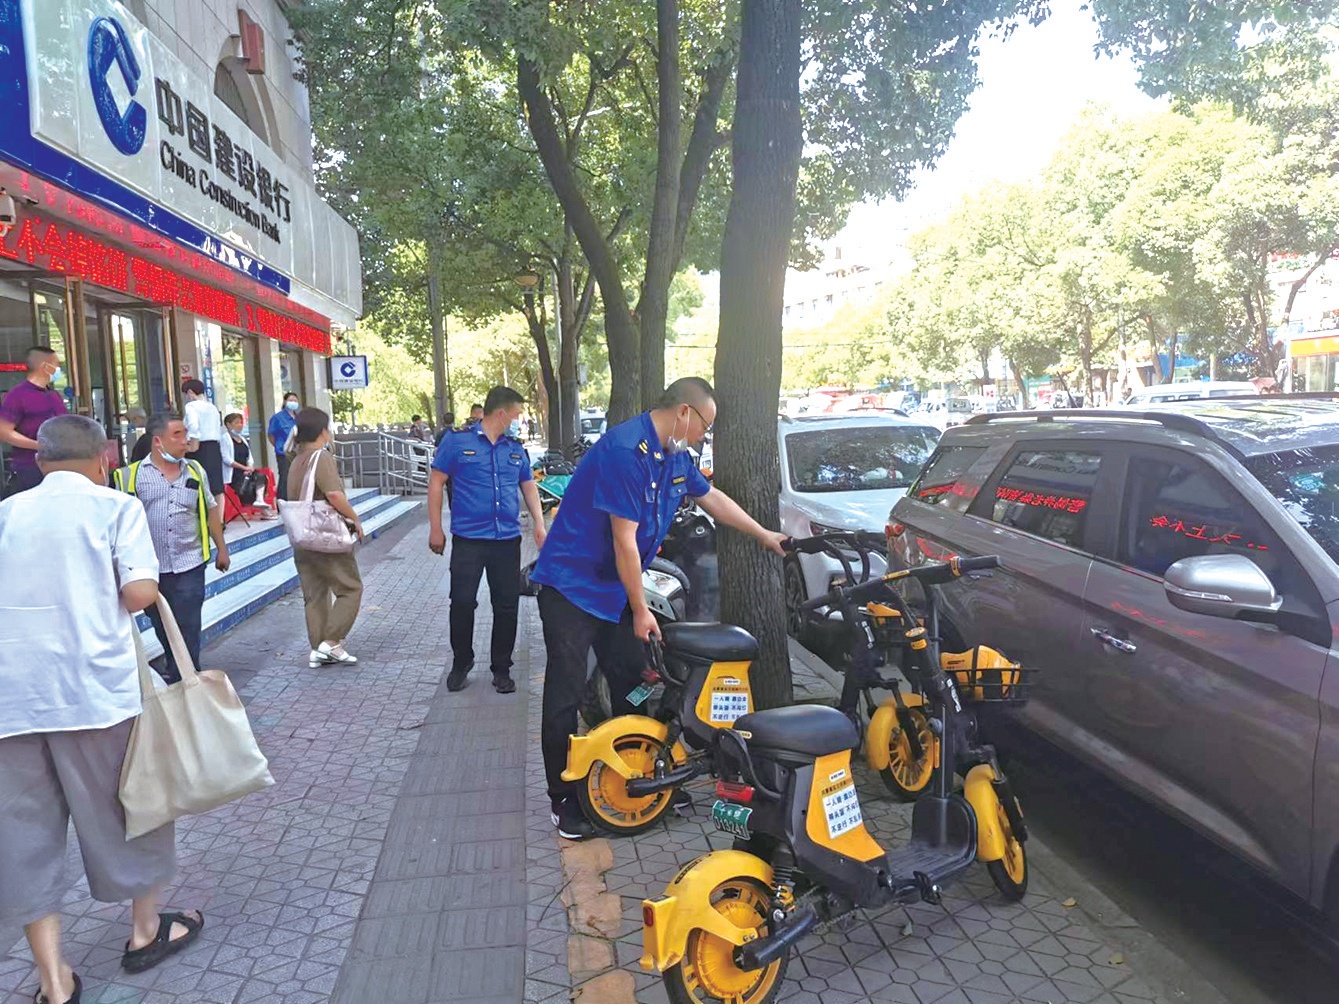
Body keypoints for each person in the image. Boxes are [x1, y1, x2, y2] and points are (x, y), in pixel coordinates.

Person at [0, 415, 204, 1004]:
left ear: (41, 462)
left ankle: (53, 980)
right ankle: (144, 931)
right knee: (134, 805)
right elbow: (140, 594)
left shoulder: (6, 514)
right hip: (94, 692)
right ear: (102, 461)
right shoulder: (116, 507)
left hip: (13, 699)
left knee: (23, 835)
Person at [530, 377, 787, 838]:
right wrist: (641, 609)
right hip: (572, 590)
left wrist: (764, 534)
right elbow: (623, 541)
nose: (704, 436)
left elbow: (712, 499)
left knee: (631, 683)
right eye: (706, 426)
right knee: (566, 693)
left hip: (614, 590)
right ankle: (563, 799)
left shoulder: (674, 456)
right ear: (685, 412)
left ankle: (646, 774)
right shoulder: (624, 451)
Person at [429, 387, 545, 694]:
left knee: (506, 605)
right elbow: (437, 482)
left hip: (506, 540)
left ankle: (501, 668)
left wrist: (539, 523)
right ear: (502, 413)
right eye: (516, 414)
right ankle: (461, 662)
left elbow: (528, 485)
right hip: (469, 540)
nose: (518, 420)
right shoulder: (457, 442)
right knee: (462, 602)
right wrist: (435, 528)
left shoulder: (514, 448)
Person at [113, 414, 230, 684]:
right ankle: (177, 666)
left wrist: (221, 549)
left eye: (185, 433)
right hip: (150, 567)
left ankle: (187, 677)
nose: (185, 440)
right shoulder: (131, 476)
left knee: (188, 623)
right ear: (158, 441)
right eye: (177, 434)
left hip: (189, 562)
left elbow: (211, 511)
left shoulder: (196, 471)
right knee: (161, 623)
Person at [286, 407, 366, 667]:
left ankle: (318, 648)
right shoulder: (320, 457)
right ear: (323, 431)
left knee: (315, 594)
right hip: (325, 536)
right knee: (350, 588)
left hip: (302, 536)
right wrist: (354, 518)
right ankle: (331, 642)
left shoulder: (296, 459)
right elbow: (333, 494)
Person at [0, 345, 67, 497]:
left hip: (59, 465)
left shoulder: (54, 395)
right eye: (56, 365)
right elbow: (4, 432)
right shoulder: (17, 395)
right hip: (29, 468)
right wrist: (38, 445)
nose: (58, 369)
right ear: (45, 367)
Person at [221, 413, 277, 518]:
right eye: (236, 423)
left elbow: (249, 457)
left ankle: (260, 500)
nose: (240, 425)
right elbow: (227, 459)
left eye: (241, 422)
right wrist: (244, 468)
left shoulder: (243, 439)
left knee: (261, 477)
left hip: (246, 472)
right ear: (228, 425)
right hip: (234, 474)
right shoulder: (225, 439)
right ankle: (263, 510)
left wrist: (250, 467)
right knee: (250, 486)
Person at [181, 379, 224, 506]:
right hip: (214, 447)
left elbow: (193, 426)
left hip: (200, 448)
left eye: (186, 394)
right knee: (216, 487)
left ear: (190, 392)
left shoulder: (191, 406)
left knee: (198, 482)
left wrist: (193, 445)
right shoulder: (212, 407)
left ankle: (203, 514)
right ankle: (219, 517)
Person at [268, 392, 301, 500]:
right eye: (291, 400)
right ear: (285, 402)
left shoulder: (298, 418)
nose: (293, 403)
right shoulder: (278, 418)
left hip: (298, 453)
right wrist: (279, 446)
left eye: (295, 401)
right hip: (284, 453)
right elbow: (271, 435)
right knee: (285, 477)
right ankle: (282, 501)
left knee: (297, 478)